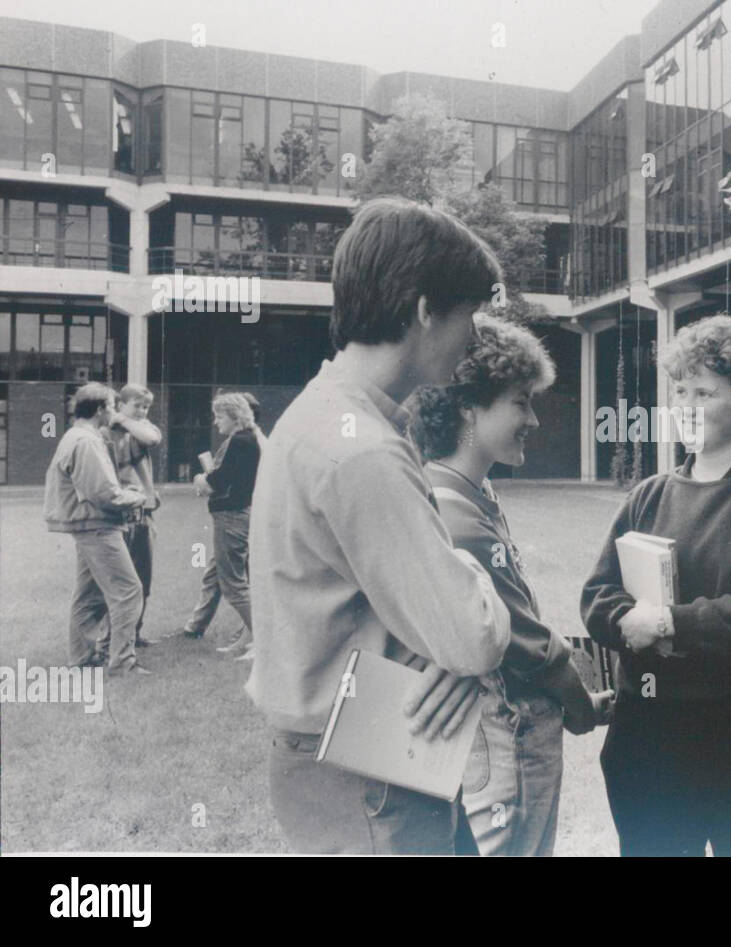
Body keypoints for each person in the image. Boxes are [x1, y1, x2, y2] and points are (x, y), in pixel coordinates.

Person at [246, 197, 511, 855]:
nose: (476, 337)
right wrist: (474, 573)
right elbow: (474, 637)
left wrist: (448, 643)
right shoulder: (362, 447)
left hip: (363, 757)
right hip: (368, 777)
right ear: (425, 310)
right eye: (470, 314)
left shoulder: (322, 416)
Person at [581, 314, 731, 857]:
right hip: (649, 738)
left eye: (705, 391)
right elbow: (597, 594)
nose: (686, 403)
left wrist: (667, 623)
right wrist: (625, 620)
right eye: (680, 389)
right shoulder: (648, 495)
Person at [410, 313, 613, 856]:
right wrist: (583, 708)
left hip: (484, 740)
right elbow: (533, 652)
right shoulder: (459, 517)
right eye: (522, 401)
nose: (535, 420)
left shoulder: (459, 490)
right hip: (510, 742)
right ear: (468, 407)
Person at [43, 383, 149, 675]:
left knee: (89, 596)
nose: (115, 413)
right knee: (129, 591)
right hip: (97, 525)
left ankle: (83, 658)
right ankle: (122, 664)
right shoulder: (87, 441)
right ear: (101, 409)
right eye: (113, 407)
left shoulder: (75, 436)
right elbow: (105, 494)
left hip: (86, 524)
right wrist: (139, 497)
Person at [180, 391, 266, 643]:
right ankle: (197, 627)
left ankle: (264, 640)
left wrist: (201, 479)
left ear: (234, 416)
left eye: (219, 416)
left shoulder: (239, 441)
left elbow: (219, 481)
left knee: (234, 586)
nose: (216, 422)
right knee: (218, 574)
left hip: (231, 518)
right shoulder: (251, 438)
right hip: (239, 515)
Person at [108, 384, 163, 649]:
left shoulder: (138, 428)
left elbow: (152, 439)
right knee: (121, 581)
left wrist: (127, 419)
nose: (142, 411)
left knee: (144, 577)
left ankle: (135, 633)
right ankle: (112, 639)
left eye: (146, 406)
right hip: (120, 512)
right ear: (120, 403)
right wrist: (120, 421)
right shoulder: (107, 430)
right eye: (136, 405)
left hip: (143, 511)